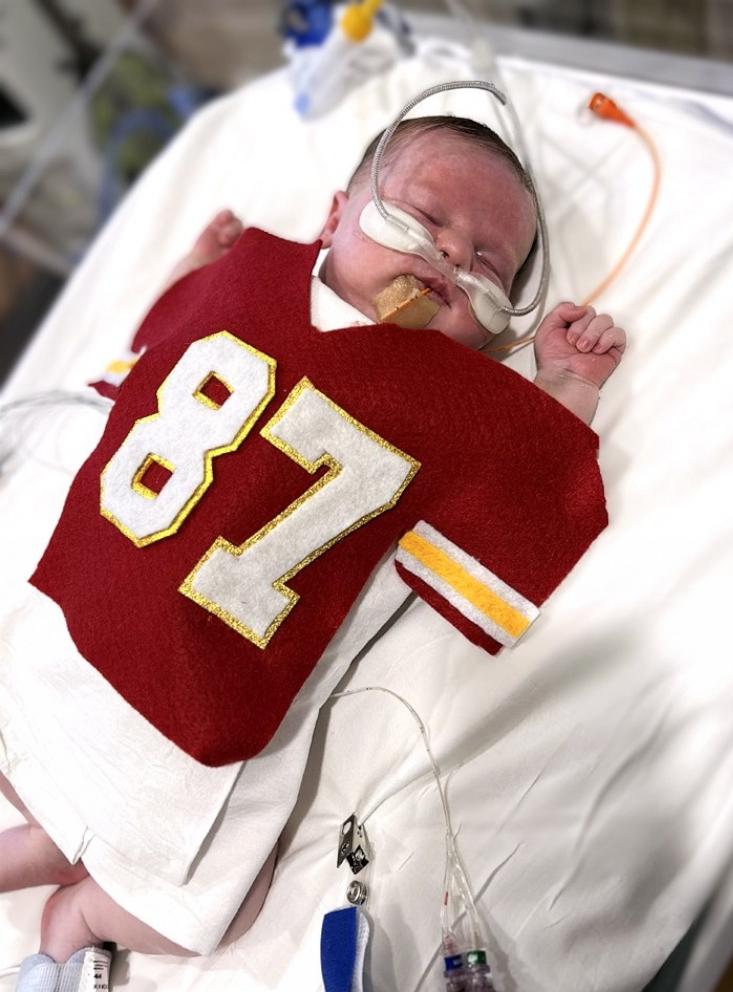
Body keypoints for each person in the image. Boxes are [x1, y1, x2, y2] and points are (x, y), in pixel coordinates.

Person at [0, 115, 624, 987]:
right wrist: (195, 268)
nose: (448, 256)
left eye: (488, 263)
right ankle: (51, 862)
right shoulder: (250, 275)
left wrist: (561, 386)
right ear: (332, 218)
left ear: (495, 330)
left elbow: (526, 478)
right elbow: (148, 354)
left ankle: (70, 907)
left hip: (206, 709)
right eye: (422, 217)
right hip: (78, 627)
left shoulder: (457, 400)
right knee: (76, 795)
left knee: (205, 906)